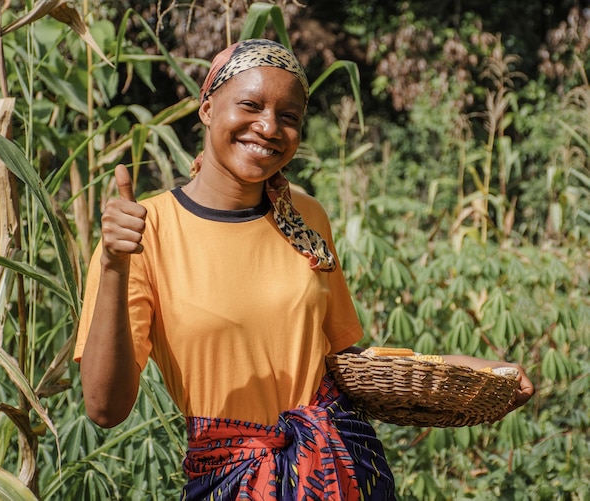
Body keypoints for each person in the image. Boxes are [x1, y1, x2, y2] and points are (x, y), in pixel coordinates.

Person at [74, 38, 534, 500]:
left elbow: (346, 361)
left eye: (289, 116)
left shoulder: (304, 217)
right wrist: (114, 265)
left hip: (337, 471)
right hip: (233, 479)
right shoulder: (141, 234)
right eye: (250, 105)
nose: (269, 127)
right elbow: (104, 409)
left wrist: (464, 370)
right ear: (208, 107)